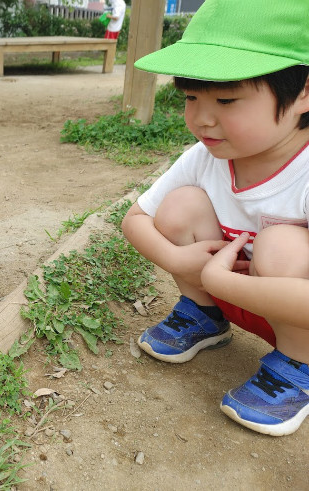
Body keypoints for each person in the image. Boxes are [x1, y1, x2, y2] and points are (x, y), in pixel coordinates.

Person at [121, 0, 309, 437]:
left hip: (294, 313)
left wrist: (224, 281)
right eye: (191, 97)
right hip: (224, 286)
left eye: (227, 99)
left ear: (302, 92)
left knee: (280, 244)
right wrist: (177, 260)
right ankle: (203, 317)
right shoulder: (206, 157)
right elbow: (135, 219)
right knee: (179, 205)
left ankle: (298, 366)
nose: (202, 119)